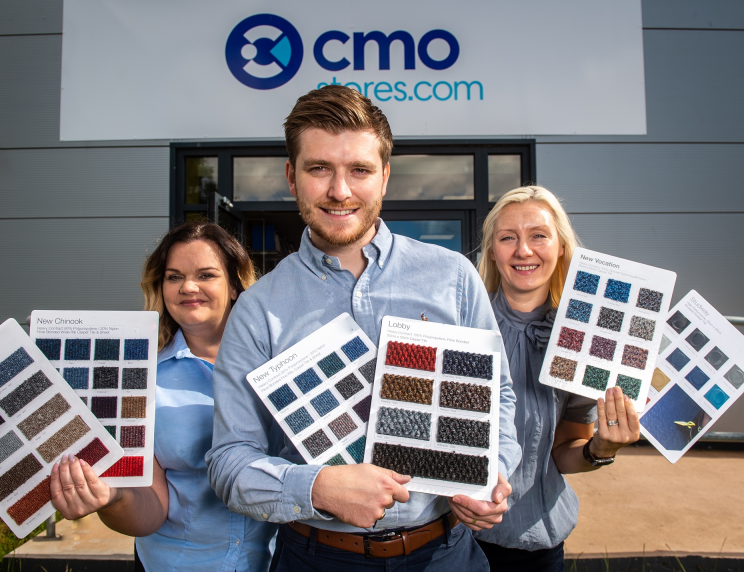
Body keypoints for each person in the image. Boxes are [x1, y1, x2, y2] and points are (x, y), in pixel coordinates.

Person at [207, 85, 522, 571]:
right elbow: (229, 463)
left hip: (444, 555)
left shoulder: (453, 278)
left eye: (359, 170)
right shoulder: (257, 309)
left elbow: (497, 396)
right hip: (317, 558)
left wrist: (489, 474)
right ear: (292, 176)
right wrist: (317, 487)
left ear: (385, 176)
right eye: (319, 169)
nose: (340, 190)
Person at [49, 221, 277, 572]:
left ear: (234, 286)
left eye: (205, 275)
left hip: (280, 561)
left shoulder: (282, 364)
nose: (188, 287)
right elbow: (151, 507)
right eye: (173, 277)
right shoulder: (137, 378)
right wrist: (110, 499)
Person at [474, 186, 640, 571]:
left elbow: (564, 452)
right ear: (492, 250)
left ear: (561, 247)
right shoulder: (464, 325)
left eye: (538, 235)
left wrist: (600, 449)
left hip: (540, 548)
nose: (523, 250)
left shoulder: (586, 343)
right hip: (460, 539)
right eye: (507, 238)